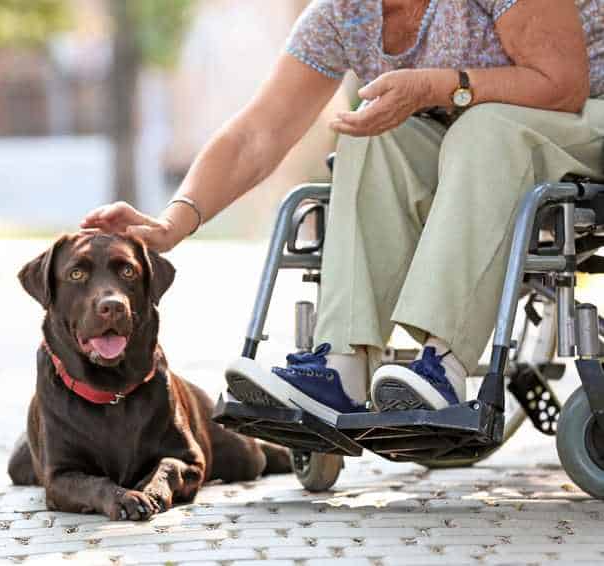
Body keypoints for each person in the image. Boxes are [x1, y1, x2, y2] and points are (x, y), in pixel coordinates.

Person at [82, 0, 604, 417]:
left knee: (485, 127)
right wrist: (176, 221)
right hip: (472, 146)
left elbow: (563, 82)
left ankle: (442, 364)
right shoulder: (342, 15)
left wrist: (439, 86)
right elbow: (258, 133)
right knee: (369, 134)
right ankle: (342, 365)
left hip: (581, 121)